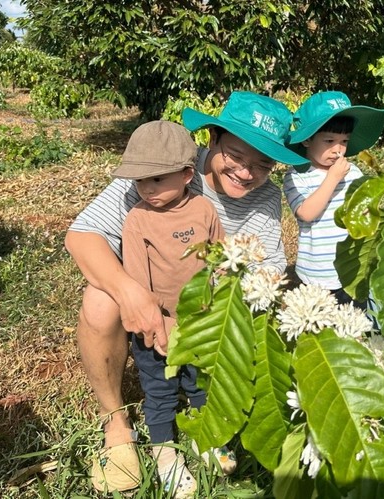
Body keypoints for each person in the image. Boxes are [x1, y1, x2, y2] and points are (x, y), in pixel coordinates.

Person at [65, 92, 309, 493]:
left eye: (263, 163)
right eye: (236, 155)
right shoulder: (166, 165)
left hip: (209, 310)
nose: (247, 173)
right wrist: (133, 295)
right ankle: (116, 424)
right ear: (211, 140)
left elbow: (268, 268)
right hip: (150, 298)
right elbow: (82, 236)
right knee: (100, 299)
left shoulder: (266, 195)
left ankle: (208, 417)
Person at [112, 120, 225, 496]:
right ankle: (164, 452)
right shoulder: (138, 219)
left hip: (201, 322)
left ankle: (203, 437)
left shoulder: (204, 210)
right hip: (155, 327)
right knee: (159, 389)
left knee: (200, 383)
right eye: (140, 180)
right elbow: (138, 283)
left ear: (187, 175)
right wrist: (159, 323)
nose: (147, 188)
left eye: (157, 179)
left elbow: (219, 258)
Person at [283, 91, 384, 306]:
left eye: (344, 141)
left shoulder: (354, 173)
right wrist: (332, 178)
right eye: (329, 140)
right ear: (307, 140)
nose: (338, 150)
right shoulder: (296, 177)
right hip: (317, 275)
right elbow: (306, 213)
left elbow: (364, 210)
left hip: (353, 269)